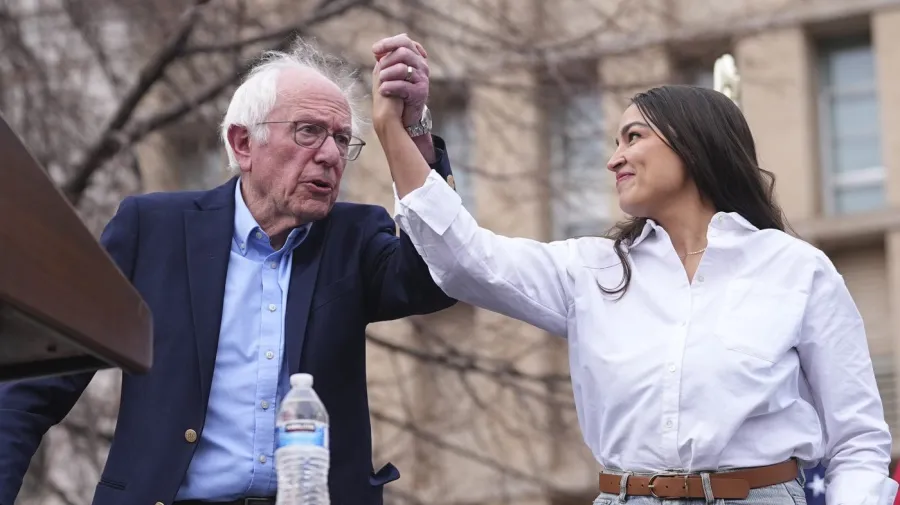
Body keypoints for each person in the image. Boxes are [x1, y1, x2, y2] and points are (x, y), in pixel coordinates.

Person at [371, 38, 897, 505]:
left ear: (692, 144)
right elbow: (466, 261)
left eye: (633, 137)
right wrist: (400, 130)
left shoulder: (796, 270)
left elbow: (857, 441)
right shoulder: (592, 271)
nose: (614, 159)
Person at [0, 35, 456, 505]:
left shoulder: (354, 237)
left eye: (342, 139)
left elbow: (438, 280)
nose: (330, 154)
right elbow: (35, 388)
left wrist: (414, 132)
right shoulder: (151, 230)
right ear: (243, 144)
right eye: (308, 132)